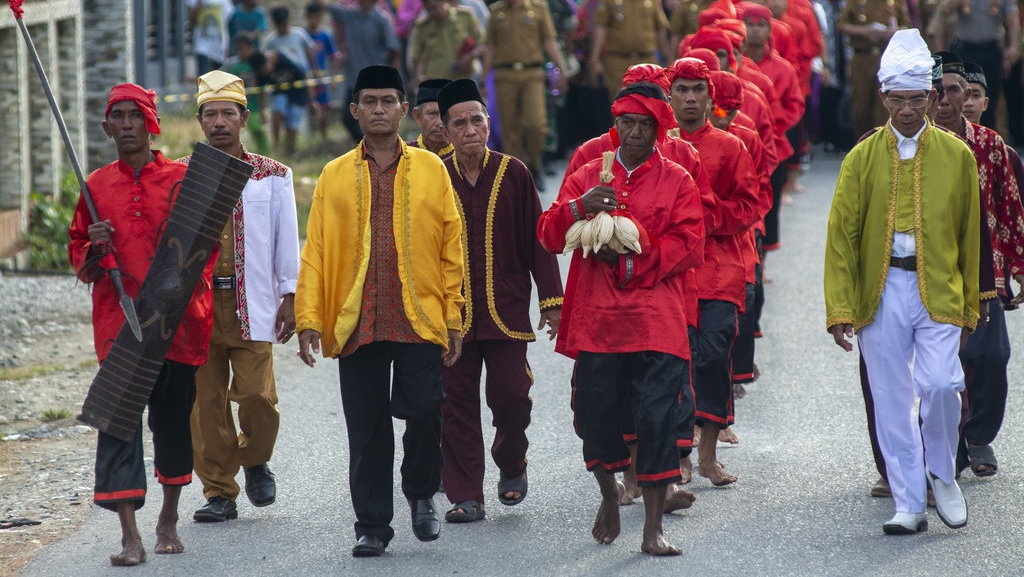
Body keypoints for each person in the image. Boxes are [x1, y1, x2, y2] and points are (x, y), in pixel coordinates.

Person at [295, 65, 465, 558]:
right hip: (357, 320)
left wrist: (453, 314)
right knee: (366, 429)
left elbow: (453, 247)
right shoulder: (334, 175)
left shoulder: (432, 169)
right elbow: (318, 250)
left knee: (427, 410)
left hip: (419, 316)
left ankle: (420, 493)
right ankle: (372, 524)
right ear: (354, 110)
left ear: (403, 110)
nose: (378, 109)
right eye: (368, 101)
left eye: (388, 101)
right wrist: (309, 316)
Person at [538, 81, 706, 556]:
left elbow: (690, 242)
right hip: (597, 321)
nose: (634, 133)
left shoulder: (677, 179)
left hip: (656, 320)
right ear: (614, 126)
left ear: (658, 130)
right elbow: (550, 234)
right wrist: (580, 206)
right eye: (626, 123)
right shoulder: (590, 173)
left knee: (656, 420)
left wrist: (634, 260)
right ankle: (610, 493)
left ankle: (653, 528)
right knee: (594, 417)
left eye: (644, 125)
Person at [824, 29, 979, 535]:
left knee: (939, 385)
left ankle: (942, 471)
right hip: (882, 288)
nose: (908, 109)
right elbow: (841, 237)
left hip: (939, 287)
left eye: (917, 99)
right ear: (884, 96)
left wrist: (973, 303)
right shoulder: (861, 157)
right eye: (898, 99)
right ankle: (909, 503)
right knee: (890, 396)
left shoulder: (958, 155)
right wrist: (840, 307)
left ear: (932, 98)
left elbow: (970, 235)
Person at [67, 83, 215, 566]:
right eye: (119, 116)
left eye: (136, 115)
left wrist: (180, 294)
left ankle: (168, 519)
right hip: (119, 324)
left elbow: (204, 247)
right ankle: (130, 536)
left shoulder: (183, 178)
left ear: (150, 123)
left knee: (172, 427)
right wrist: (93, 245)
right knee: (118, 427)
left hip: (177, 325)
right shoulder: (94, 187)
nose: (127, 124)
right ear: (107, 127)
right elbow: (77, 252)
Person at [432, 79, 563, 524]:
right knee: (456, 405)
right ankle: (466, 493)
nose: (469, 129)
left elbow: (539, 239)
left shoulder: (515, 172)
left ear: (489, 123)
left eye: (477, 120)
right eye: (459, 123)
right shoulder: (432, 175)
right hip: (450, 317)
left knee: (512, 398)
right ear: (445, 129)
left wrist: (551, 299)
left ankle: (511, 464)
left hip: (505, 312)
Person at [183, 70, 300, 524]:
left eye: (227, 113)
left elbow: (286, 240)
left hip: (253, 302)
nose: (218, 123)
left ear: (244, 118)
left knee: (256, 398)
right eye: (210, 115)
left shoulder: (273, 175)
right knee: (205, 405)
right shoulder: (181, 175)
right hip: (197, 308)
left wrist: (290, 294)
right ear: (198, 121)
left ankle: (255, 459)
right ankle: (219, 491)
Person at [927, 53, 1024, 479]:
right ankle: (944, 451)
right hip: (926, 270)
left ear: (970, 96)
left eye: (956, 91)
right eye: (940, 91)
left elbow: (1010, 209)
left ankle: (979, 435)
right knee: (940, 367)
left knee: (991, 354)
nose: (949, 101)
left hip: (983, 271)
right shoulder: (909, 145)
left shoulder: (990, 145)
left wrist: (1015, 266)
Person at [667, 57, 759, 486]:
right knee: (676, 363)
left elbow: (748, 207)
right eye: (681, 89)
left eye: (697, 90)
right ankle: (680, 455)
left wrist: (704, 216)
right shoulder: (656, 146)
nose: (689, 98)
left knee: (711, 357)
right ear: (669, 96)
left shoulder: (730, 146)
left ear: (711, 97)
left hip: (720, 269)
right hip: (670, 274)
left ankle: (706, 456)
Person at [482, 0, 569, 190]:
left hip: (532, 74)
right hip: (504, 74)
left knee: (536, 124)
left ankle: (535, 165)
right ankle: (518, 175)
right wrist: (483, 79)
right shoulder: (496, 12)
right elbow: (490, 47)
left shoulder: (538, 8)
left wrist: (562, 70)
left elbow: (549, 41)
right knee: (510, 129)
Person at [327, 0, 403, 144]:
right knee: (347, 117)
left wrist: (393, 76)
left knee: (375, 116)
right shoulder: (349, 15)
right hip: (354, 79)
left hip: (375, 80)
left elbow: (394, 49)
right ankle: (368, 146)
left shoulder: (381, 19)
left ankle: (378, 146)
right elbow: (326, 6)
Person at [940, 0, 1020, 128]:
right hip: (965, 49)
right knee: (961, 92)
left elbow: (1012, 17)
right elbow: (945, 9)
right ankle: (960, 134)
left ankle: (987, 137)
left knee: (990, 96)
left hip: (992, 49)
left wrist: (1013, 46)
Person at [837, 0, 911, 138]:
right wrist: (865, 31)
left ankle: (883, 144)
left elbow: (907, 26)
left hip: (888, 58)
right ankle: (863, 143)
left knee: (884, 107)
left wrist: (895, 31)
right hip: (863, 57)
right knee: (861, 108)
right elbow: (842, 25)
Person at [237, 35, 318, 157]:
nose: (266, 73)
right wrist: (263, 111)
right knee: (277, 110)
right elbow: (261, 91)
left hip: (298, 92)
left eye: (265, 69)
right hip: (280, 91)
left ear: (268, 61)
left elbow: (306, 77)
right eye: (262, 72)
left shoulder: (282, 60)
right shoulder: (259, 72)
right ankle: (276, 145)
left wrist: (312, 101)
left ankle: (290, 147)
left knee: (292, 122)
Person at [586, 0, 673, 103]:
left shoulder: (653, 1)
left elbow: (660, 28)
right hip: (618, 61)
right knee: (620, 101)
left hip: (647, 60)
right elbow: (601, 28)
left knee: (650, 101)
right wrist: (594, 58)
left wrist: (667, 56)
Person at [409, 0, 484, 84]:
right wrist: (418, 76)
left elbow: (482, 44)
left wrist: (470, 57)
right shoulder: (423, 26)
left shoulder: (465, 16)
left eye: (434, 8)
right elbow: (416, 57)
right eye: (428, 9)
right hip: (436, 83)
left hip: (465, 79)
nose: (432, 13)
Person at [305, 2, 343, 141]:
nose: (316, 19)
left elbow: (334, 56)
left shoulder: (325, 36)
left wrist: (333, 77)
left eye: (318, 16)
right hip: (306, 79)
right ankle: (310, 137)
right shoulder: (302, 35)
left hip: (321, 78)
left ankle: (323, 138)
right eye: (313, 16)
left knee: (324, 108)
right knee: (311, 107)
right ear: (308, 17)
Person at [409, 78, 456, 157]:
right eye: (432, 113)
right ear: (417, 115)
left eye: (446, 115)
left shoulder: (465, 156)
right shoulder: (404, 154)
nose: (440, 123)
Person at [189, 0, 235, 75]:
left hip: (219, 44)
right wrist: (199, 4)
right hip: (202, 42)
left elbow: (227, 23)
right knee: (204, 75)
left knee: (218, 77)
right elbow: (193, 21)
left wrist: (227, 46)